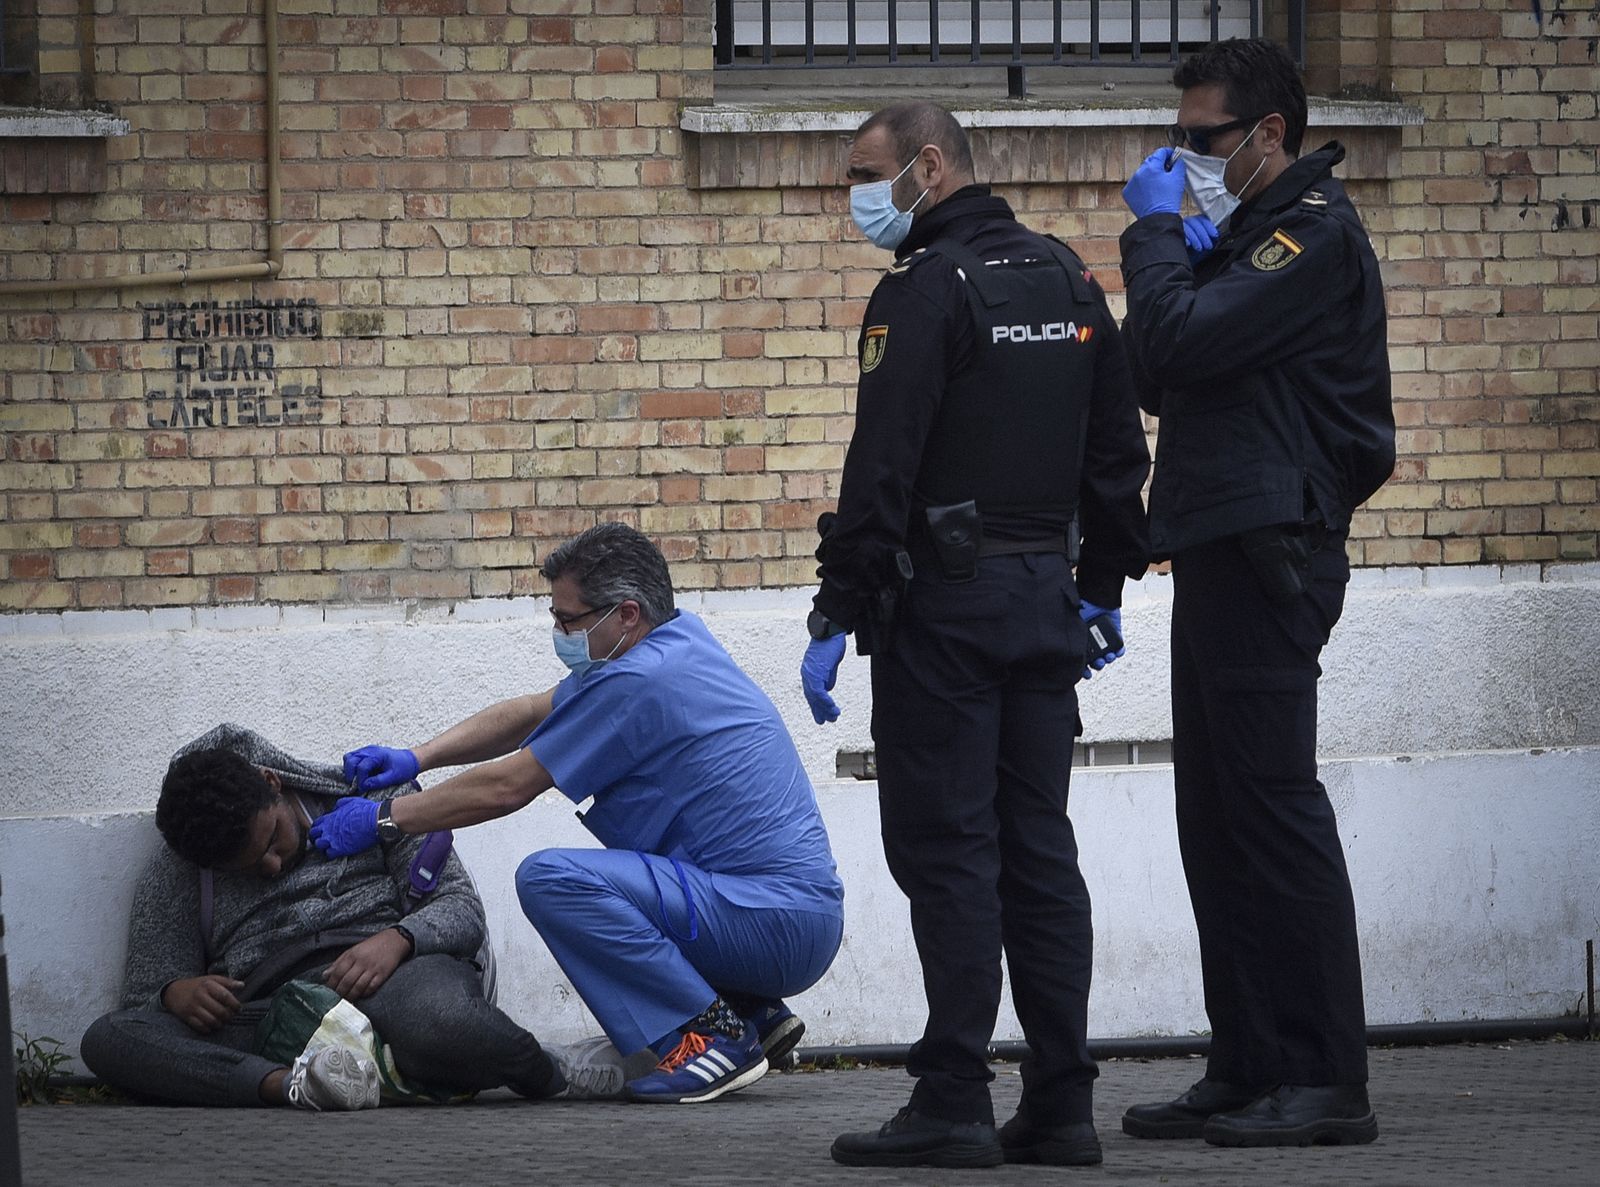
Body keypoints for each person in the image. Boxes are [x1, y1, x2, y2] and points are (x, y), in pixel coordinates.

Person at [803, 102, 1151, 1168]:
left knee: (948, 851)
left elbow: (883, 465)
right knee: (1039, 850)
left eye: (868, 173)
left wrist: (838, 605)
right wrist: (1098, 587)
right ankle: (1061, 1100)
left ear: (930, 165)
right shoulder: (1066, 277)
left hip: (943, 612)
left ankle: (953, 1092)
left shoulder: (921, 291)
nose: (856, 197)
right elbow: (1115, 451)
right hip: (1044, 604)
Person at [1116, 37, 1396, 1148]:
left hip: (1271, 546)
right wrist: (1178, 259)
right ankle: (1247, 1060)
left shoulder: (1307, 237)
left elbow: (1176, 338)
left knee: (1272, 810)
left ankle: (1327, 1077)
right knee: (1217, 816)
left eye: (1201, 140)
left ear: (1267, 134)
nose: (1183, 155)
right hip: (1216, 543)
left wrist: (1150, 239)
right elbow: (1152, 364)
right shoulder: (1240, 239)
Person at [313, 522, 844, 1105]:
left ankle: (705, 1037)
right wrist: (418, 755)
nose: (560, 632)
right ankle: (751, 1011)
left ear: (627, 615)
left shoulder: (637, 680)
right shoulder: (679, 642)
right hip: (787, 916)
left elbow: (509, 785)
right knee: (640, 856)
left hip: (771, 922)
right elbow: (533, 713)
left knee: (553, 879)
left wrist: (385, 818)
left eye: (569, 620)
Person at [79, 723, 621, 1110]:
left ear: (274, 782)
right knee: (111, 1039)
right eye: (245, 868)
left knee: (449, 1026)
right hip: (270, 1015)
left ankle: (550, 1073)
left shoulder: (376, 795)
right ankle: (295, 1085)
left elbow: (462, 911)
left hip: (395, 980)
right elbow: (143, 997)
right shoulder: (179, 865)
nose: (271, 867)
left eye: (272, 840)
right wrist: (176, 992)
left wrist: (399, 939)